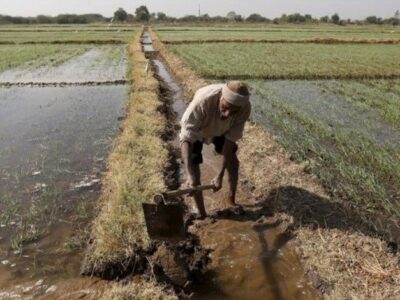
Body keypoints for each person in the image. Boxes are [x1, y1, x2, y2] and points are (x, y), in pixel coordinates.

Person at [179, 81, 251, 218]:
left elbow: (229, 143)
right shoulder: (202, 102)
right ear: (221, 97)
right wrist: (189, 174)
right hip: (200, 128)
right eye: (226, 107)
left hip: (222, 130)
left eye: (234, 111)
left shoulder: (244, 108)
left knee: (233, 163)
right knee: (194, 170)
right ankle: (202, 213)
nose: (228, 113)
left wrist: (220, 174)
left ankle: (231, 200)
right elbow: (186, 139)